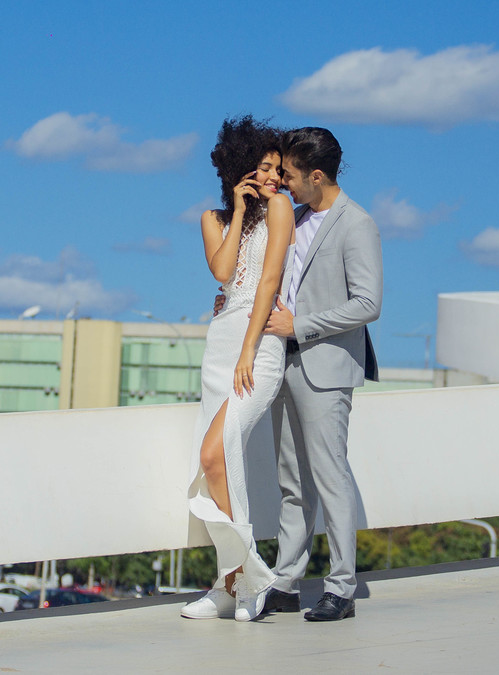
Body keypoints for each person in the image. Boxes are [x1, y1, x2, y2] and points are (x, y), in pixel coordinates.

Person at [260, 127, 383, 622]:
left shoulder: (357, 223)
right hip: (283, 362)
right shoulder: (297, 217)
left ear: (316, 174)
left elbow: (369, 303)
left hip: (326, 368)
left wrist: (301, 325)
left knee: (331, 478)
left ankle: (341, 588)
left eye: (289, 174)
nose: (284, 182)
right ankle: (287, 582)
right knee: (292, 482)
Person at [180, 116, 295, 622]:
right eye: (264, 169)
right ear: (240, 171)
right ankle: (232, 585)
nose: (274, 178)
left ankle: (246, 582)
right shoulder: (213, 217)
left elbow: (268, 283)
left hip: (258, 347)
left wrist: (250, 349)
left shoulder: (282, 208)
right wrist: (240, 205)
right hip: (220, 346)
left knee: (214, 453)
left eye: (277, 170)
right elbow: (224, 272)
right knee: (217, 466)